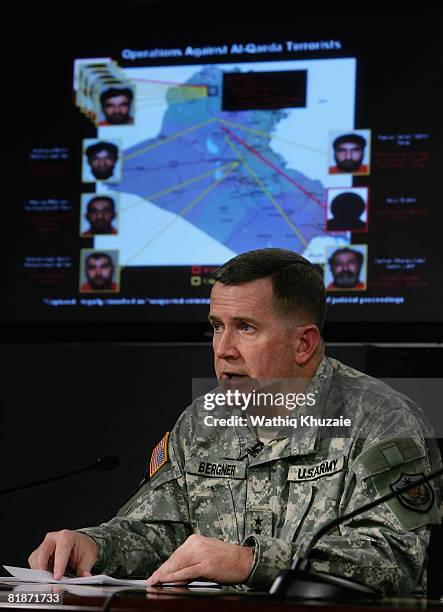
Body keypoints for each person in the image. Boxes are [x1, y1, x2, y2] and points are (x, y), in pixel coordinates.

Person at [29, 248, 440, 595]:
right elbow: (159, 534)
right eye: (216, 327)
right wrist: (93, 545)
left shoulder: (383, 421)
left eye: (245, 327)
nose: (223, 349)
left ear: (303, 343)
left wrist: (251, 562)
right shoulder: (202, 421)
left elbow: (396, 562)